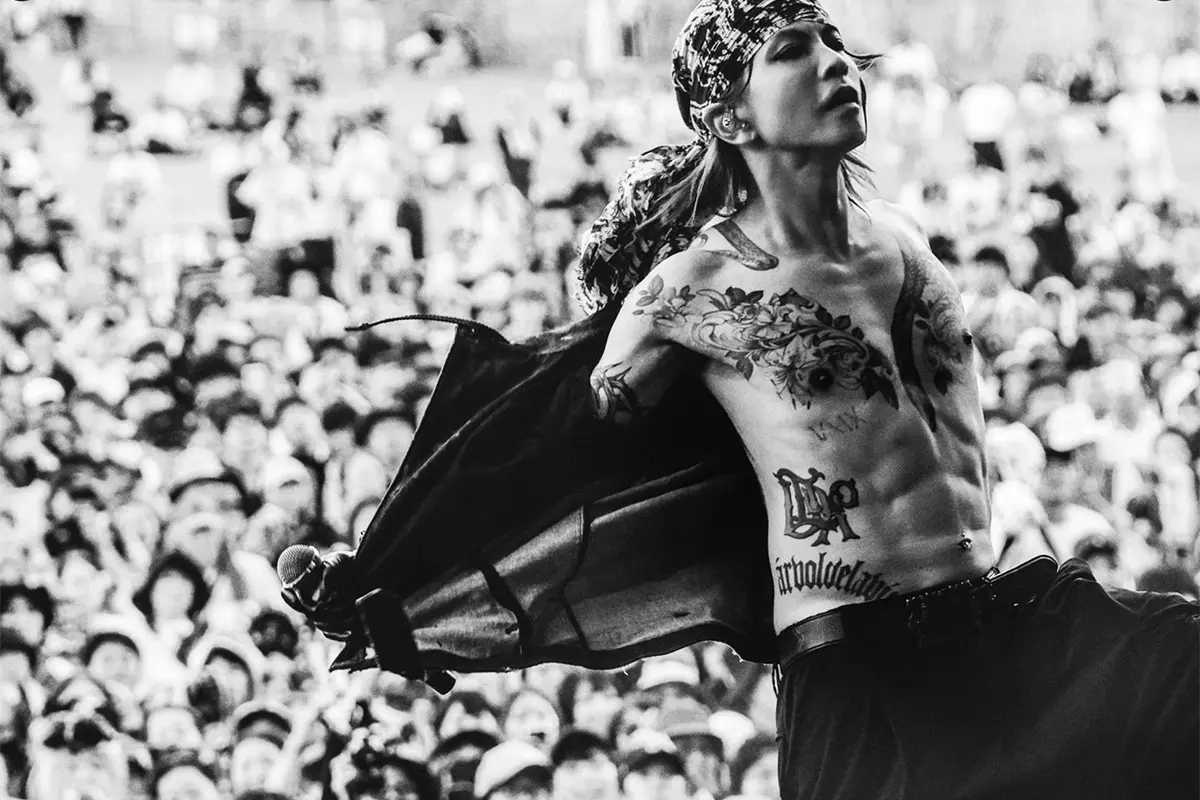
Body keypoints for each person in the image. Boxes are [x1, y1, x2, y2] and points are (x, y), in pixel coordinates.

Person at [285, 3, 1198, 799]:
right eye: (794, 50)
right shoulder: (686, 291)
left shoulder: (904, 239)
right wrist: (391, 573)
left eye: (832, 41)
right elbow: (541, 451)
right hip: (862, 675)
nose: (835, 62)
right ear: (728, 114)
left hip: (1001, 625)